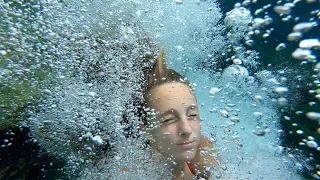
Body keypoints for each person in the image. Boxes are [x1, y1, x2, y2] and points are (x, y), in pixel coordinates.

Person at [137, 48, 220, 180]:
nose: (187, 130)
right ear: (145, 130)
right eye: (168, 119)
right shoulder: (128, 172)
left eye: (192, 115)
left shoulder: (202, 149)